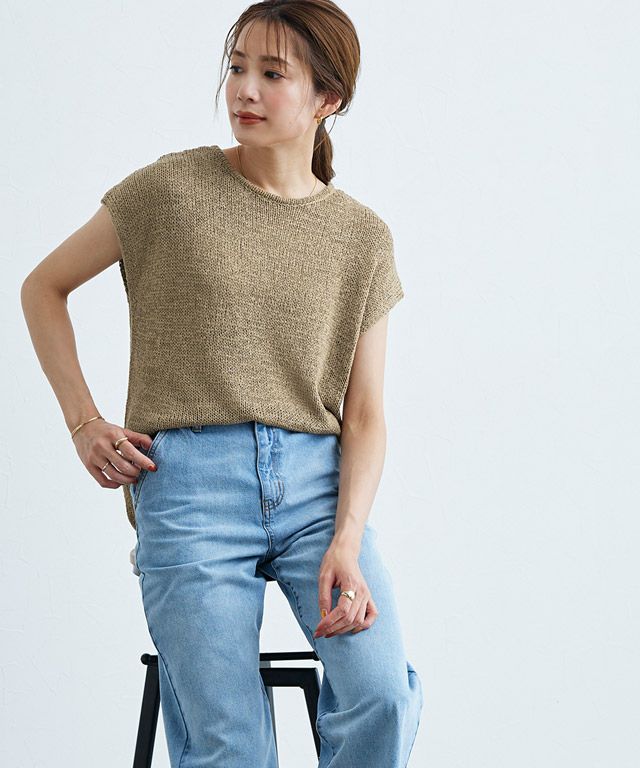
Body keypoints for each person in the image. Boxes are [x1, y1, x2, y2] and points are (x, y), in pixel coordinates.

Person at [20, 1, 423, 765]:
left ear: (328, 99)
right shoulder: (171, 191)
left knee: (382, 694)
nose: (245, 89)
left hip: (317, 492)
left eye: (273, 73)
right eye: (237, 67)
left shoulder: (362, 237)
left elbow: (366, 413)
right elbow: (43, 286)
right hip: (191, 488)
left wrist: (347, 538)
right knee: (228, 746)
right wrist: (83, 421)